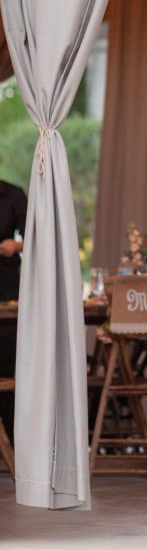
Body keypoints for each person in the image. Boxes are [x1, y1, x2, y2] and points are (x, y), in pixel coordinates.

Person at [0, 177, 27, 445]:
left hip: (7, 287)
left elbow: (38, 237)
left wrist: (15, 246)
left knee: (6, 361)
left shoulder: (12, 193)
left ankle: (9, 440)